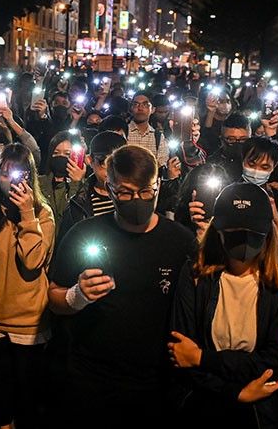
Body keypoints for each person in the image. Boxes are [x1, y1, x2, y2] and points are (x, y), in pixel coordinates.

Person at [48, 145, 197, 425]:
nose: (137, 200)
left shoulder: (180, 241)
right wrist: (77, 296)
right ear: (111, 187)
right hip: (92, 377)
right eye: (126, 193)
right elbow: (54, 297)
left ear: (158, 185)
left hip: (158, 381)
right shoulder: (85, 233)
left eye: (145, 192)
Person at [169, 182, 278, 428]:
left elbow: (277, 358)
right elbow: (181, 352)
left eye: (252, 232)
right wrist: (235, 393)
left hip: (264, 412)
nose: (243, 239)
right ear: (218, 230)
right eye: (234, 230)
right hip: (205, 407)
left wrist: (203, 358)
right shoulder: (195, 276)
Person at [0, 143, 54, 429]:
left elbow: (33, 261)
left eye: (17, 172)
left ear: (30, 175)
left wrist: (26, 215)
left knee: (27, 395)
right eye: (3, 172)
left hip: (28, 322)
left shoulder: (42, 214)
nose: (10, 179)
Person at [55, 131, 127, 243]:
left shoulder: (135, 196)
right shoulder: (78, 203)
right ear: (89, 160)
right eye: (103, 162)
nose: (111, 170)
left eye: (118, 163)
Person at [37, 131, 86, 234]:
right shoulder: (38, 183)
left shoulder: (84, 187)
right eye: (56, 153)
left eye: (67, 154)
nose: (61, 157)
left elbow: (73, 217)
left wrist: (76, 183)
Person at [127, 91, 169, 166]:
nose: (140, 108)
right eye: (136, 104)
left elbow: (162, 163)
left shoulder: (158, 137)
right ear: (131, 108)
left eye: (145, 105)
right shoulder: (123, 133)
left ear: (152, 109)